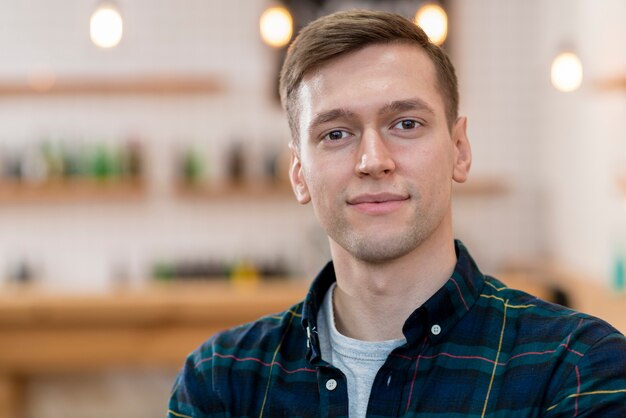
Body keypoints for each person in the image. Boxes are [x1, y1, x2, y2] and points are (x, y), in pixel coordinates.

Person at [168, 9, 626, 417]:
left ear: (460, 149)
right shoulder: (220, 381)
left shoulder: (577, 369)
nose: (373, 160)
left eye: (406, 124)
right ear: (299, 174)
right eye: (335, 134)